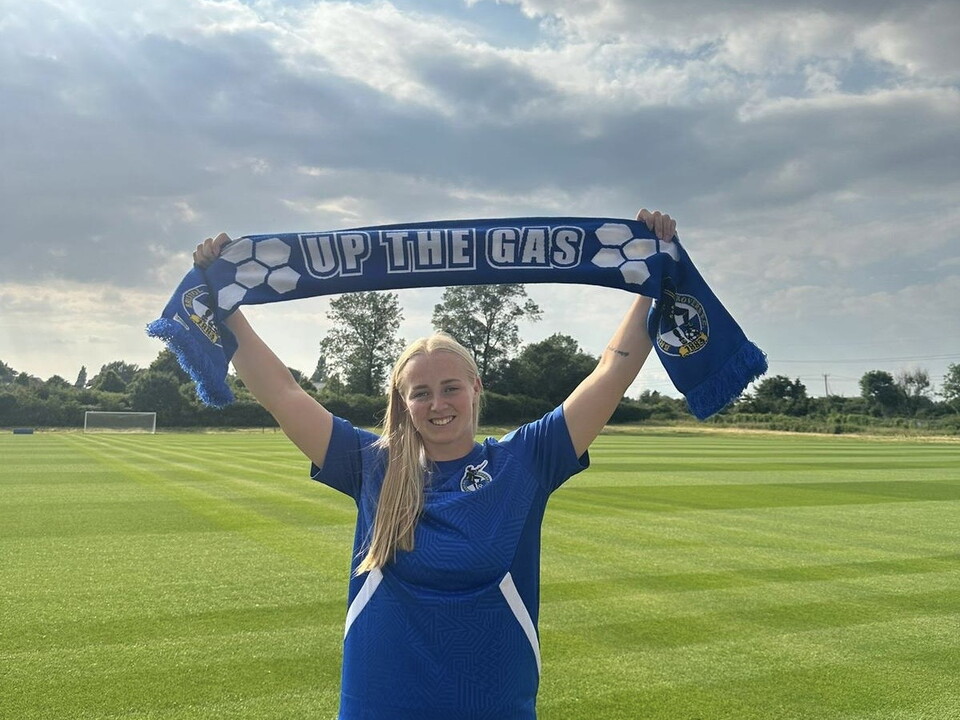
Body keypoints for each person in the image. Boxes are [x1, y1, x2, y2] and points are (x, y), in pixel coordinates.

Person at [194, 208, 677, 720]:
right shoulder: (370, 465)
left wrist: (653, 277)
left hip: (491, 704)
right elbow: (283, 392)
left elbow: (610, 372)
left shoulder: (526, 460)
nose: (437, 403)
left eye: (450, 388)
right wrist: (226, 306)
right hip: (379, 703)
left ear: (475, 388)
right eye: (420, 393)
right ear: (404, 403)